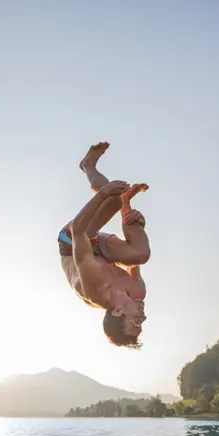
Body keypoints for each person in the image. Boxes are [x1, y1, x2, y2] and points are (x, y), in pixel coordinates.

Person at [57, 142, 150, 348]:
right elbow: (133, 262)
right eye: (142, 323)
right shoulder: (137, 291)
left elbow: (79, 230)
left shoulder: (93, 284)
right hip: (102, 253)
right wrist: (135, 220)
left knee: (112, 200)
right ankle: (125, 202)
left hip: (72, 241)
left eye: (136, 321)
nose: (143, 317)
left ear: (118, 311)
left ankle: (88, 166)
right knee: (141, 254)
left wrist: (103, 193)